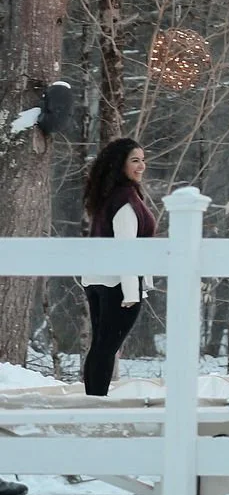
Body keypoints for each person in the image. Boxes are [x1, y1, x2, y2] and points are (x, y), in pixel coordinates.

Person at [79, 138, 155, 398]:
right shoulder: (125, 200)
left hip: (97, 280)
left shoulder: (108, 195)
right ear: (119, 164)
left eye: (143, 160)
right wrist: (131, 293)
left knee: (100, 346)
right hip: (118, 285)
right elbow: (126, 249)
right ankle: (96, 403)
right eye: (135, 160)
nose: (142, 166)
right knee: (106, 348)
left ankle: (93, 399)